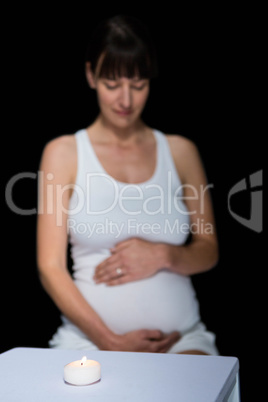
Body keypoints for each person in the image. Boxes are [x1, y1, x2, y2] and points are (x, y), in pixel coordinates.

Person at [37, 15, 219, 355]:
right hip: (87, 343)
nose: (126, 100)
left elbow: (209, 249)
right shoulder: (63, 153)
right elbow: (50, 266)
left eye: (138, 85)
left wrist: (164, 255)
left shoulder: (181, 152)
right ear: (91, 75)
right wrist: (111, 342)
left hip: (181, 340)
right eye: (112, 84)